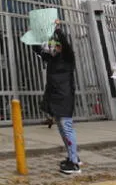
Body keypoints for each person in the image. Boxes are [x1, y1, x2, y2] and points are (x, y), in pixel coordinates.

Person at [32, 20, 81, 174]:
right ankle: (73, 157)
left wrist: (58, 29)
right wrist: (34, 35)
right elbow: (38, 49)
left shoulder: (67, 58)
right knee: (61, 128)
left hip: (64, 96)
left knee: (66, 128)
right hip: (55, 96)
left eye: (56, 45)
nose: (53, 48)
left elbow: (65, 45)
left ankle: (74, 163)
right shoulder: (52, 59)